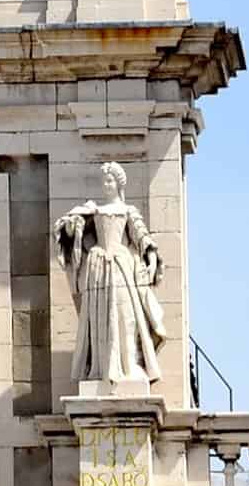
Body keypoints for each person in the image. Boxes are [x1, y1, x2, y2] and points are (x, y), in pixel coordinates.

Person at [55, 160, 166, 387]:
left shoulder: (128, 211)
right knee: (100, 316)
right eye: (104, 181)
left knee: (126, 314)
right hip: (98, 265)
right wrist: (72, 225)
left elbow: (143, 238)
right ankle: (102, 366)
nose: (106, 185)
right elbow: (69, 234)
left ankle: (129, 365)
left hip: (121, 265)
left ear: (118, 183)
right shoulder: (93, 210)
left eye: (109, 180)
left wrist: (152, 262)